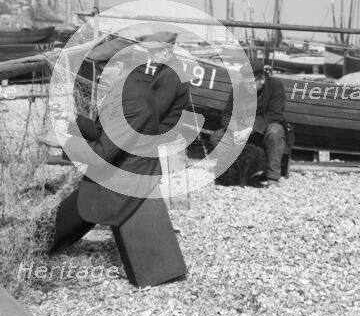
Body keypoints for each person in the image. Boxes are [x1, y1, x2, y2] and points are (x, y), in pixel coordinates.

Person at [39, 37, 187, 287]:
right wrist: (73, 119)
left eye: (103, 68)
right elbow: (103, 132)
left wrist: (63, 142)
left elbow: (102, 153)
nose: (97, 76)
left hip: (123, 181)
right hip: (128, 172)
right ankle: (42, 245)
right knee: (63, 224)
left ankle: (23, 248)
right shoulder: (130, 89)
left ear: (120, 67)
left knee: (50, 228)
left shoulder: (132, 100)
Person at [210, 60, 289, 187]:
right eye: (245, 84)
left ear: (262, 79)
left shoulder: (276, 86)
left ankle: (272, 177)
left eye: (251, 84)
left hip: (264, 127)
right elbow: (227, 114)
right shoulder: (239, 88)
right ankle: (234, 172)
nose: (247, 87)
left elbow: (275, 115)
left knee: (276, 131)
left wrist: (249, 129)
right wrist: (235, 130)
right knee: (217, 137)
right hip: (242, 128)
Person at [139, 31, 190, 138]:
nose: (151, 55)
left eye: (153, 52)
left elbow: (155, 111)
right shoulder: (166, 68)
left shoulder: (171, 75)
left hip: (163, 131)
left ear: (165, 51)